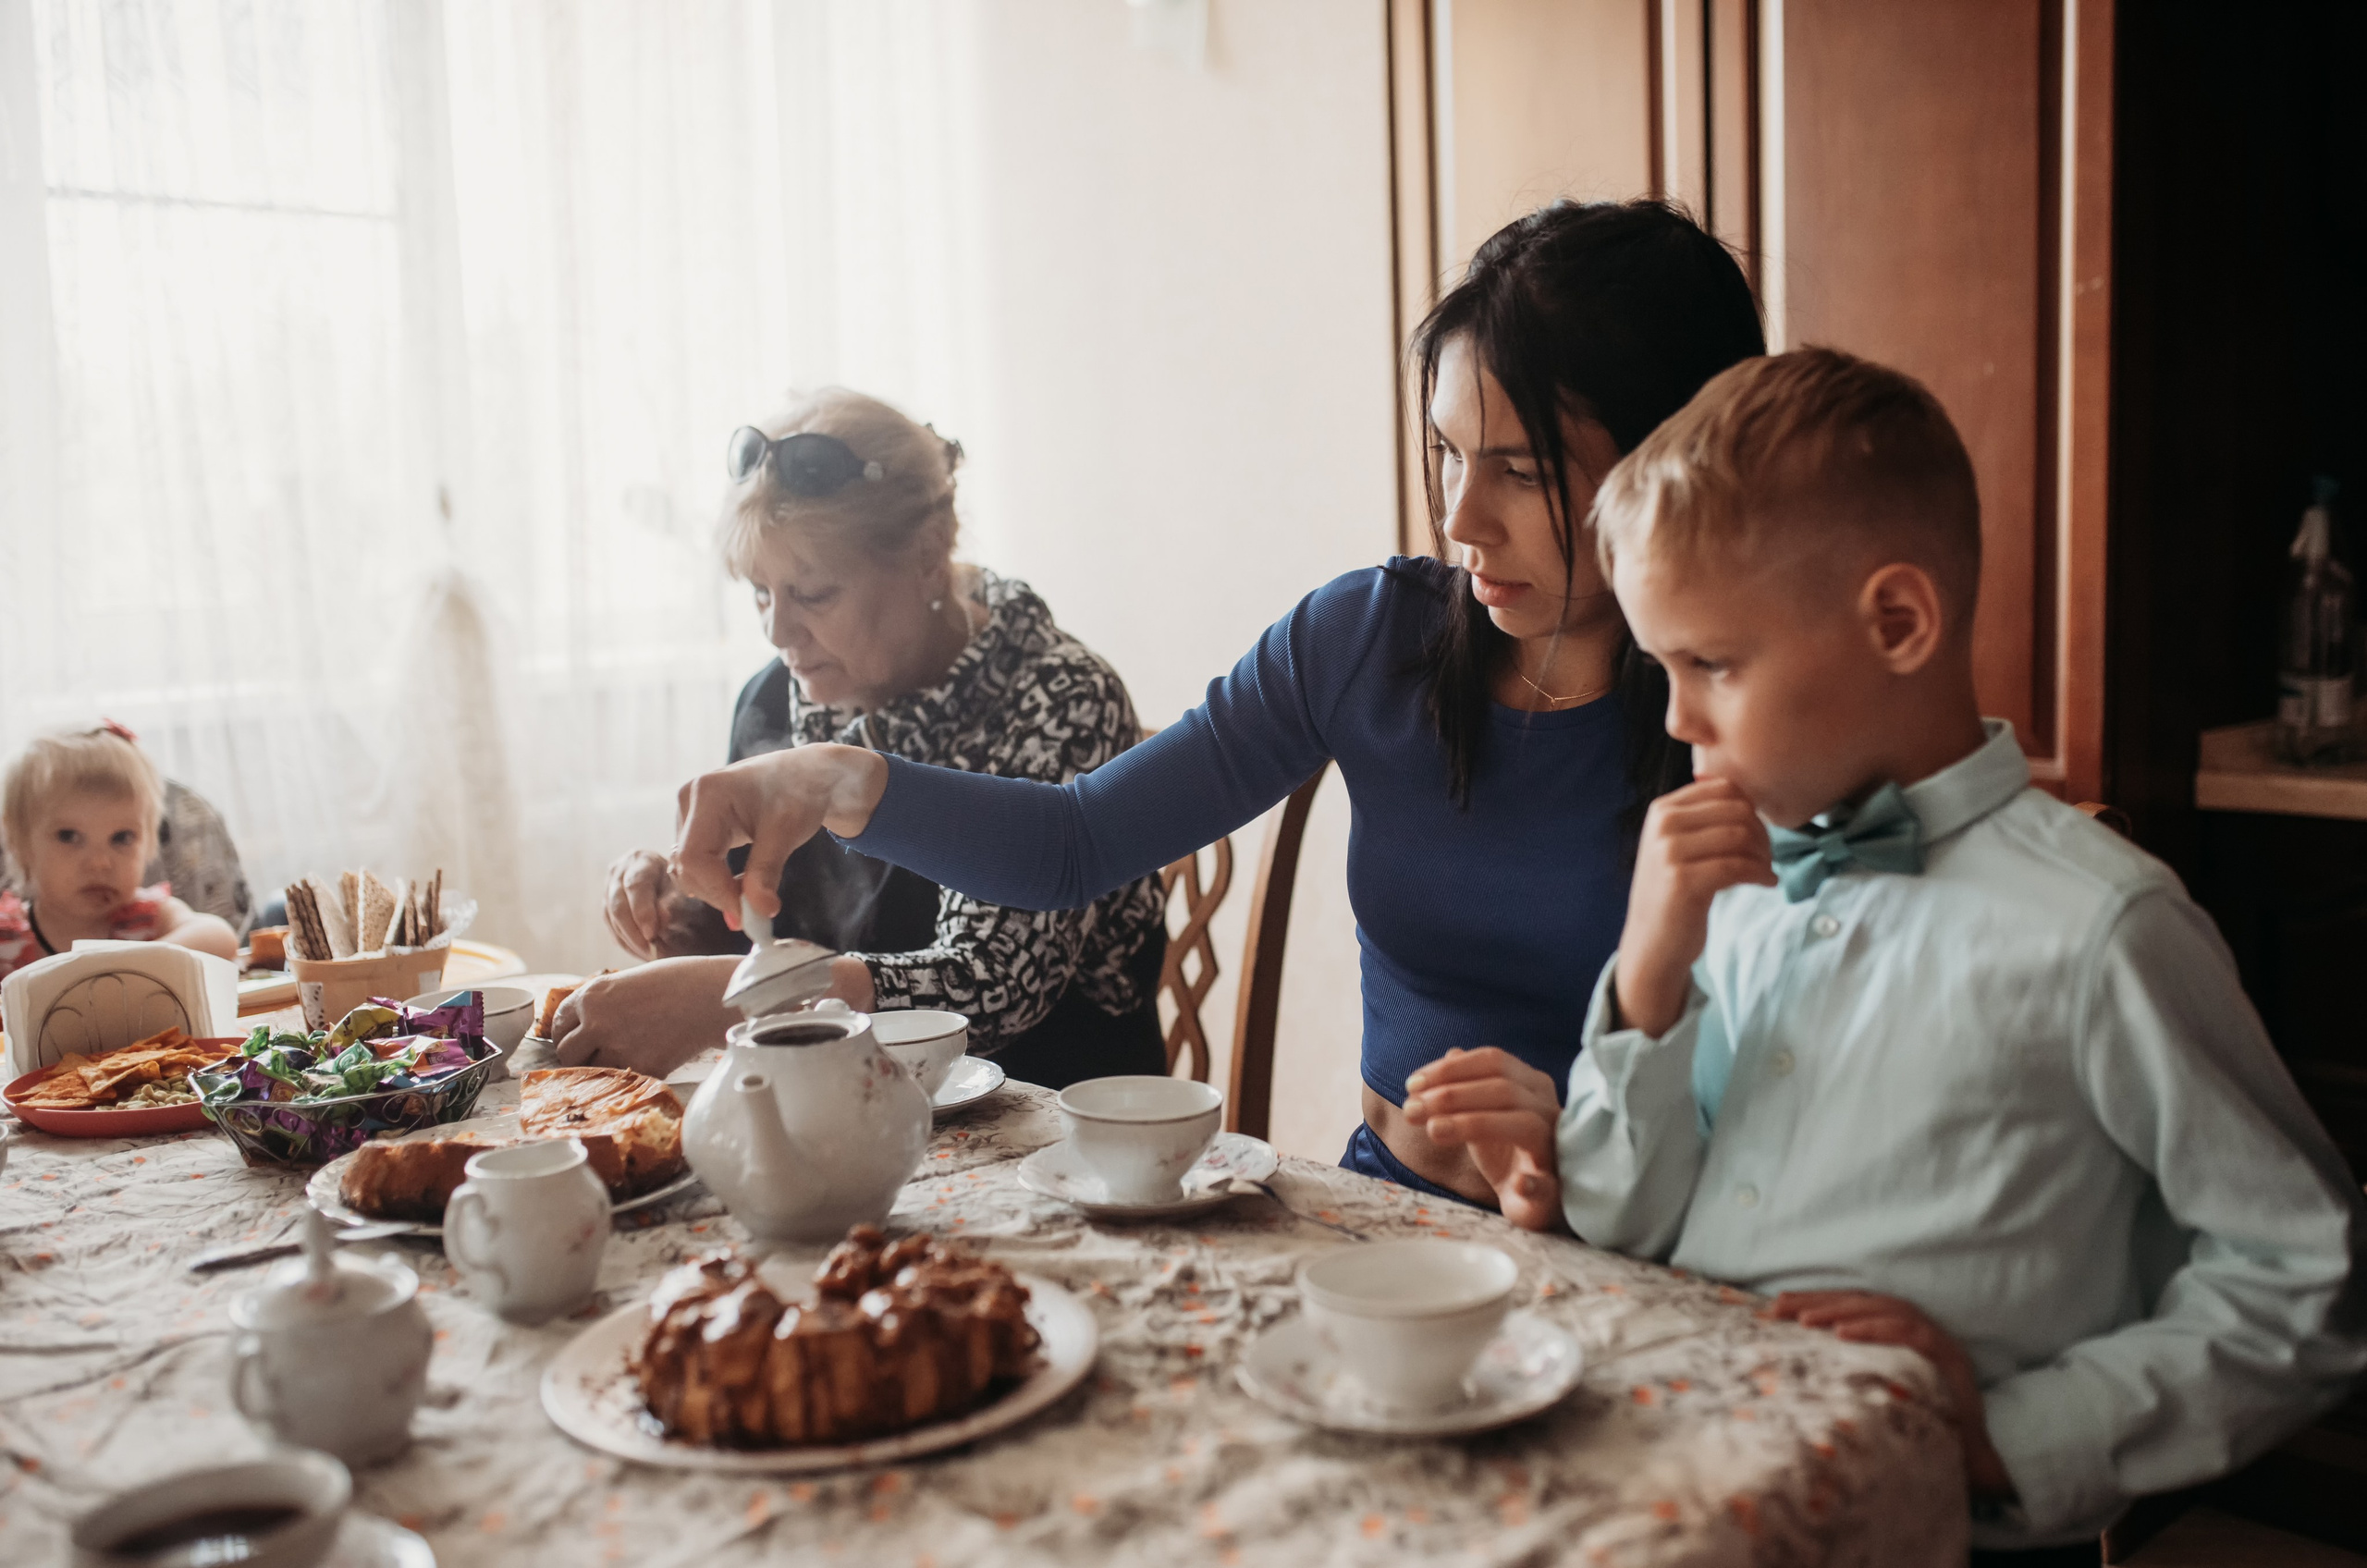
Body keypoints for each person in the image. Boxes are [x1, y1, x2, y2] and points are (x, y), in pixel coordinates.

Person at [1400, 348, 2366, 1559]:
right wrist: (1646, 986)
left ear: (1898, 621)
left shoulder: (2101, 931)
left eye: (1713, 666)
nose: (1677, 722)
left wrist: (2018, 1434)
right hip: (1683, 1480)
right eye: (1663, 670)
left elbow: (2305, 1274)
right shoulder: (1724, 897)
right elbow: (1621, 1219)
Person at [664, 200, 1766, 1207]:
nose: (1462, 518)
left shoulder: (1753, 718)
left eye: (1519, 472)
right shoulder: (1368, 636)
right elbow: (1077, 841)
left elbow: (1804, 1090)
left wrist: (1580, 1149)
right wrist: (830, 778)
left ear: (1668, 460)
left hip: (1639, 1231)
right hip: (1383, 1204)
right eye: (1446, 452)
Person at [559, 388, 1168, 1091]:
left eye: (813, 595)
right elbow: (763, 930)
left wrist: (729, 994)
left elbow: (992, 985)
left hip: (1054, 1133)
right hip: (844, 1113)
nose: (777, 632)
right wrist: (683, 906)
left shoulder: (1060, 698)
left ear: (928, 558)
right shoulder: (775, 694)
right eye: (762, 592)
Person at [0, 724, 241, 980]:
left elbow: (220, 938)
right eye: (69, 837)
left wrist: (124, 965)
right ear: (19, 843)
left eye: (122, 838)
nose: (100, 863)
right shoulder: (7, 940)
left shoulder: (150, 919)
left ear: (149, 843)